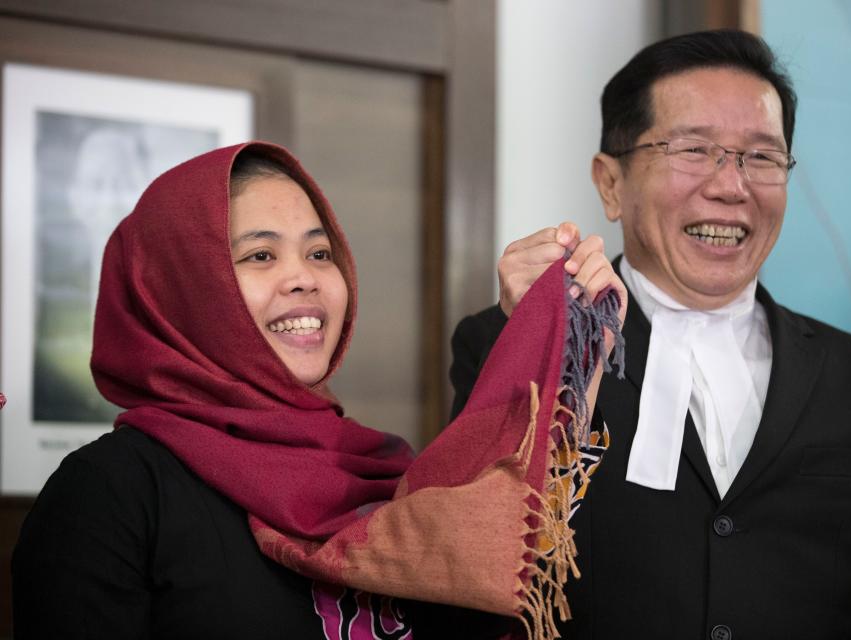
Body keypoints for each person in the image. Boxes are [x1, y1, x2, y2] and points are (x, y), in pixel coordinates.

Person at [12, 141, 626, 639]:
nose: (303, 279)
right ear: (181, 290)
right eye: (259, 256)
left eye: (320, 251)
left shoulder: (384, 472)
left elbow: (490, 599)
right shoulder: (111, 492)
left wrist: (560, 347)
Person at [449, 29, 851, 639]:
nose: (731, 186)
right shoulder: (505, 344)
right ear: (611, 183)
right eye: (693, 150)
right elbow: (465, 572)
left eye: (761, 156)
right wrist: (530, 341)